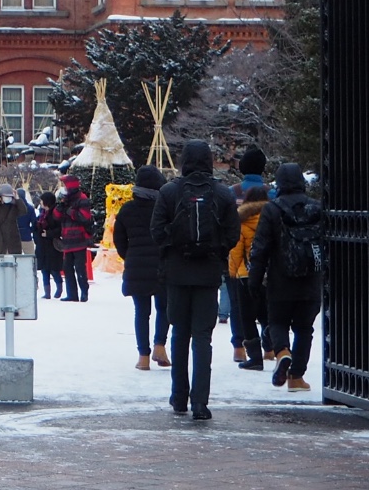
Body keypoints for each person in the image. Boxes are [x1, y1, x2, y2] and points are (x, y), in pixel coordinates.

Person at [151, 140, 239, 421]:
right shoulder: (222, 194)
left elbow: (157, 232)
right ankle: (200, 402)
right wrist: (215, 250)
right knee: (203, 339)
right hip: (208, 274)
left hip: (177, 273)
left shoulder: (169, 191)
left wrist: (175, 247)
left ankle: (179, 397)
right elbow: (232, 235)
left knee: (179, 334)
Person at [248, 162, 322, 393]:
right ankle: (297, 377)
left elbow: (260, 248)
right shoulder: (317, 208)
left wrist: (254, 279)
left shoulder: (272, 209)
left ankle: (282, 352)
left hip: (281, 278)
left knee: (277, 321)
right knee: (304, 328)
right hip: (311, 278)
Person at [113, 165, 170, 370]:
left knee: (141, 312)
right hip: (162, 266)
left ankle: (143, 357)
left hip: (136, 266)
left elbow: (119, 240)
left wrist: (130, 256)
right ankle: (160, 346)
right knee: (164, 309)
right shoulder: (165, 209)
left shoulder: (127, 210)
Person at [227, 185, 270, 370]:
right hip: (270, 275)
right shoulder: (273, 219)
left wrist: (232, 272)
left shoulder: (243, 221)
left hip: (246, 274)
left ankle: (255, 357)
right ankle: (272, 344)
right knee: (267, 314)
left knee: (247, 317)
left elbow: (236, 251)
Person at [55, 175, 95, 301]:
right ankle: (72, 294)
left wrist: (70, 212)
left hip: (79, 239)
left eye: (66, 185)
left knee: (80, 268)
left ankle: (84, 292)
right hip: (67, 239)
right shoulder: (65, 200)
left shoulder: (82, 199)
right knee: (67, 268)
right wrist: (60, 207)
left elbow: (84, 218)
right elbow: (56, 216)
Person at [33, 191, 65, 299]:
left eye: (42, 200)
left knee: (54, 269)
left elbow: (60, 229)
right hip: (42, 245)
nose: (40, 202)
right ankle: (47, 293)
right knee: (44, 270)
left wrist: (48, 233)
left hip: (52, 245)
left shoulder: (55, 213)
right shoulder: (41, 213)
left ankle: (59, 289)